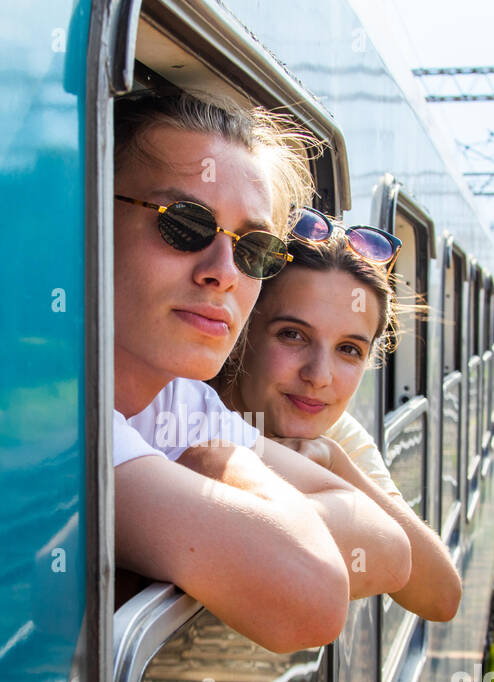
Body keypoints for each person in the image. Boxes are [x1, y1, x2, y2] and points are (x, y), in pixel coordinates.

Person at [111, 89, 412, 653]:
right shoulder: (66, 425)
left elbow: (390, 547)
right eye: (183, 224)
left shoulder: (177, 402)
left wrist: (220, 464)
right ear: (90, 223)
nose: (223, 272)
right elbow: (311, 597)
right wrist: (223, 465)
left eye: (253, 248)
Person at [214, 224, 462, 622]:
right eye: (292, 335)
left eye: (349, 349)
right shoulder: (182, 413)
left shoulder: (336, 435)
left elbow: (440, 597)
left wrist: (332, 461)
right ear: (243, 331)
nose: (319, 375)